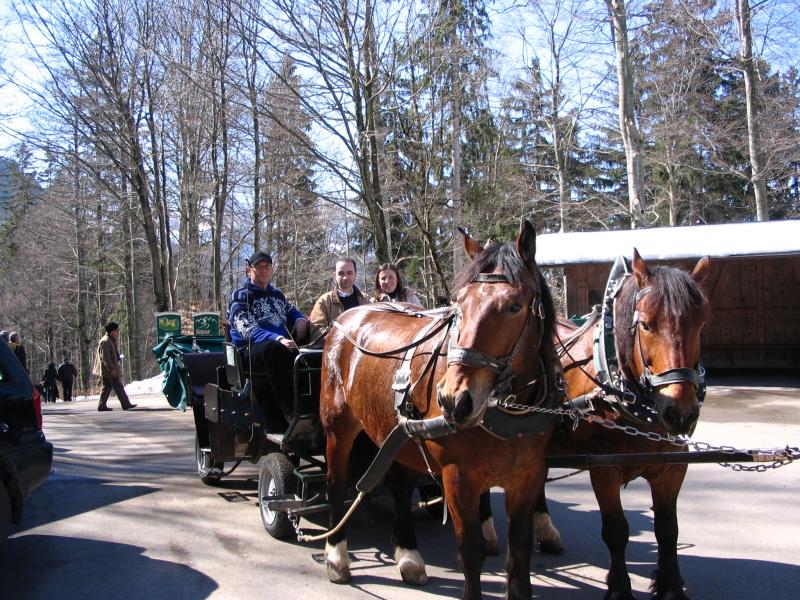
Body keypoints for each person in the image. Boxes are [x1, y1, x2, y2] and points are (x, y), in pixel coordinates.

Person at [228, 251, 308, 420]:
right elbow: (246, 328)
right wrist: (277, 338)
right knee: (275, 349)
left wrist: (300, 320)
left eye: (267, 267)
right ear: (248, 270)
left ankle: (315, 410)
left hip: (280, 347)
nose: (263, 270)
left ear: (271, 270)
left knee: (312, 353)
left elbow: (292, 311)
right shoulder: (240, 297)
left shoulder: (277, 295)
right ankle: (292, 415)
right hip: (248, 351)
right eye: (258, 267)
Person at [309, 257, 369, 332]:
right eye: (341, 273)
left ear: (355, 274)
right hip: (334, 343)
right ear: (334, 275)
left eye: (349, 273)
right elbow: (316, 331)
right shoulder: (324, 301)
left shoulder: (366, 300)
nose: (345, 277)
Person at [96, 321, 137, 411]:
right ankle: (126, 404)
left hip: (108, 369)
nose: (117, 332)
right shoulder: (105, 341)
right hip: (109, 370)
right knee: (118, 387)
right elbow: (105, 358)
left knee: (106, 387)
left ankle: (102, 405)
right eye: (116, 330)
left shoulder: (110, 340)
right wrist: (111, 369)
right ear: (112, 331)